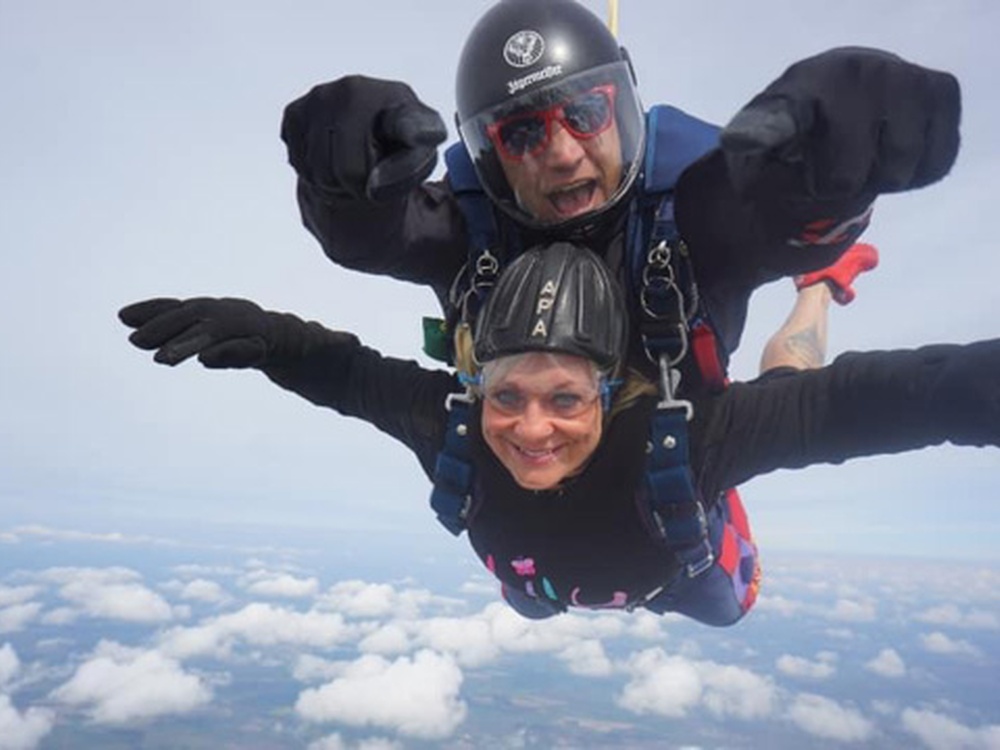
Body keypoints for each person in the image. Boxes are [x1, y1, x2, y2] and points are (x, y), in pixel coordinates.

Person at [119, 242, 999, 624]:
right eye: (507, 396)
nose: (530, 428)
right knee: (532, 601)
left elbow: (870, 405)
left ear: (611, 393)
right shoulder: (451, 424)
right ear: (475, 384)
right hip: (542, 580)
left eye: (564, 400)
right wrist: (265, 335)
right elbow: (346, 374)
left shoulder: (689, 443)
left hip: (680, 570)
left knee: (789, 388)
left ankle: (821, 282)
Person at [279, 0, 960, 393]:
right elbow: (378, 234)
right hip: (535, 483)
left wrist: (827, 182)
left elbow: (757, 214)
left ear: (625, 105)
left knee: (789, 381)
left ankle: (818, 285)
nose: (564, 152)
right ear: (487, 155)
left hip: (690, 463)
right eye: (520, 134)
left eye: (584, 112)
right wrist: (342, 182)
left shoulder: (684, 210)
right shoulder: (470, 227)